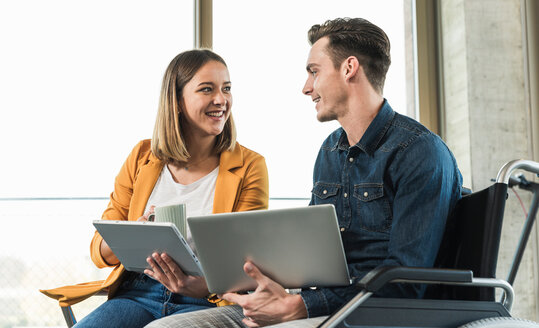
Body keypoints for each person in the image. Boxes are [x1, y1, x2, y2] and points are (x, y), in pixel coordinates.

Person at [145, 17, 462, 328]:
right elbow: (308, 251)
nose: (306, 87)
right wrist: (271, 291)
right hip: (316, 303)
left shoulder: (419, 152)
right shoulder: (330, 150)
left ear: (349, 68)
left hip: (369, 313)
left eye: (314, 72)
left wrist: (300, 306)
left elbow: (406, 280)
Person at [40, 49, 269, 327]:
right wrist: (132, 235)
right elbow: (98, 249)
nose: (221, 99)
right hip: (138, 291)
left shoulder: (249, 165)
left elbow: (246, 261)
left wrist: (202, 286)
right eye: (207, 89)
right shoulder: (142, 156)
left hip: (204, 298)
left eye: (227, 89)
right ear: (177, 102)